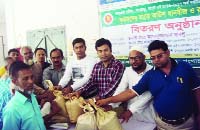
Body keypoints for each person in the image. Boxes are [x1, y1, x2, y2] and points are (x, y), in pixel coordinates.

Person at [96, 40, 200, 130]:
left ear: (168, 53)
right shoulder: (150, 75)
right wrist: (109, 101)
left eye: (159, 56)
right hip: (162, 124)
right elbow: (130, 92)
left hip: (186, 123)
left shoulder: (184, 67)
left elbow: (196, 91)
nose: (156, 60)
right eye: (153, 58)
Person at [111, 46, 155, 127]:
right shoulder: (128, 70)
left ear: (144, 57)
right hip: (131, 115)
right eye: (131, 58)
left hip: (148, 115)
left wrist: (131, 110)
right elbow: (121, 89)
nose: (133, 61)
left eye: (137, 58)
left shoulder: (152, 71)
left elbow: (148, 95)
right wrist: (111, 104)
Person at [2, 61, 46, 130]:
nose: (31, 81)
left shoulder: (32, 97)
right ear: (14, 81)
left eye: (32, 77)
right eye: (25, 79)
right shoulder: (12, 110)